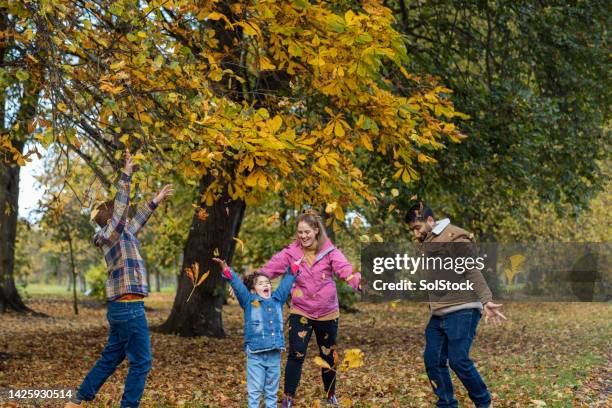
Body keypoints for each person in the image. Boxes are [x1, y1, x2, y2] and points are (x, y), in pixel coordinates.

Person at [65, 151, 173, 408]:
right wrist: (127, 173)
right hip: (129, 308)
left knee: (111, 358)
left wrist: (156, 200)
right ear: (107, 217)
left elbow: (137, 219)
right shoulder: (110, 234)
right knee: (142, 362)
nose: (117, 212)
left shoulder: (123, 235)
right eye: (112, 211)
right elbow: (123, 209)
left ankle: (78, 400)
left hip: (121, 308)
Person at [405, 203, 506, 408]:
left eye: (417, 227)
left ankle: (484, 402)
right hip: (440, 312)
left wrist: (486, 300)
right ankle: (447, 404)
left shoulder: (454, 236)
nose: (415, 233)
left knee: (458, 360)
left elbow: (471, 270)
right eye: (412, 230)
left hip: (463, 308)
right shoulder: (428, 241)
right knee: (432, 359)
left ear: (430, 221)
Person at [259, 211, 361, 408]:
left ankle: (331, 394)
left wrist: (360, 283)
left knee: (328, 355)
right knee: (296, 354)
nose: (303, 236)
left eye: (307, 232)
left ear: (316, 230)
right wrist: (247, 282)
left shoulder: (330, 251)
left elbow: (345, 271)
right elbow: (270, 268)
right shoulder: (291, 253)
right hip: (301, 311)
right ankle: (288, 397)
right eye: (300, 232)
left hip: (327, 313)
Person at [213, 257, 301, 408]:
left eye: (267, 283)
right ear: (253, 289)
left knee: (271, 393)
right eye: (261, 283)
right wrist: (226, 270)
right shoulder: (249, 300)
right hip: (255, 354)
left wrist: (293, 269)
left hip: (274, 353)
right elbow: (239, 288)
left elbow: (286, 286)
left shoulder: (277, 299)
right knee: (255, 392)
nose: (265, 285)